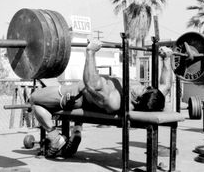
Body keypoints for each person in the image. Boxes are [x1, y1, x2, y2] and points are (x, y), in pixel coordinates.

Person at [29, 39, 173, 158]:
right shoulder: (149, 98)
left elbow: (91, 84)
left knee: (34, 99)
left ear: (136, 100)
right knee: (75, 103)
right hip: (89, 101)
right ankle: (76, 132)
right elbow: (165, 86)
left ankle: (56, 138)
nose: (143, 86)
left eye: (143, 89)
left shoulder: (114, 99)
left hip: (75, 96)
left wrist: (90, 52)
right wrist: (167, 58)